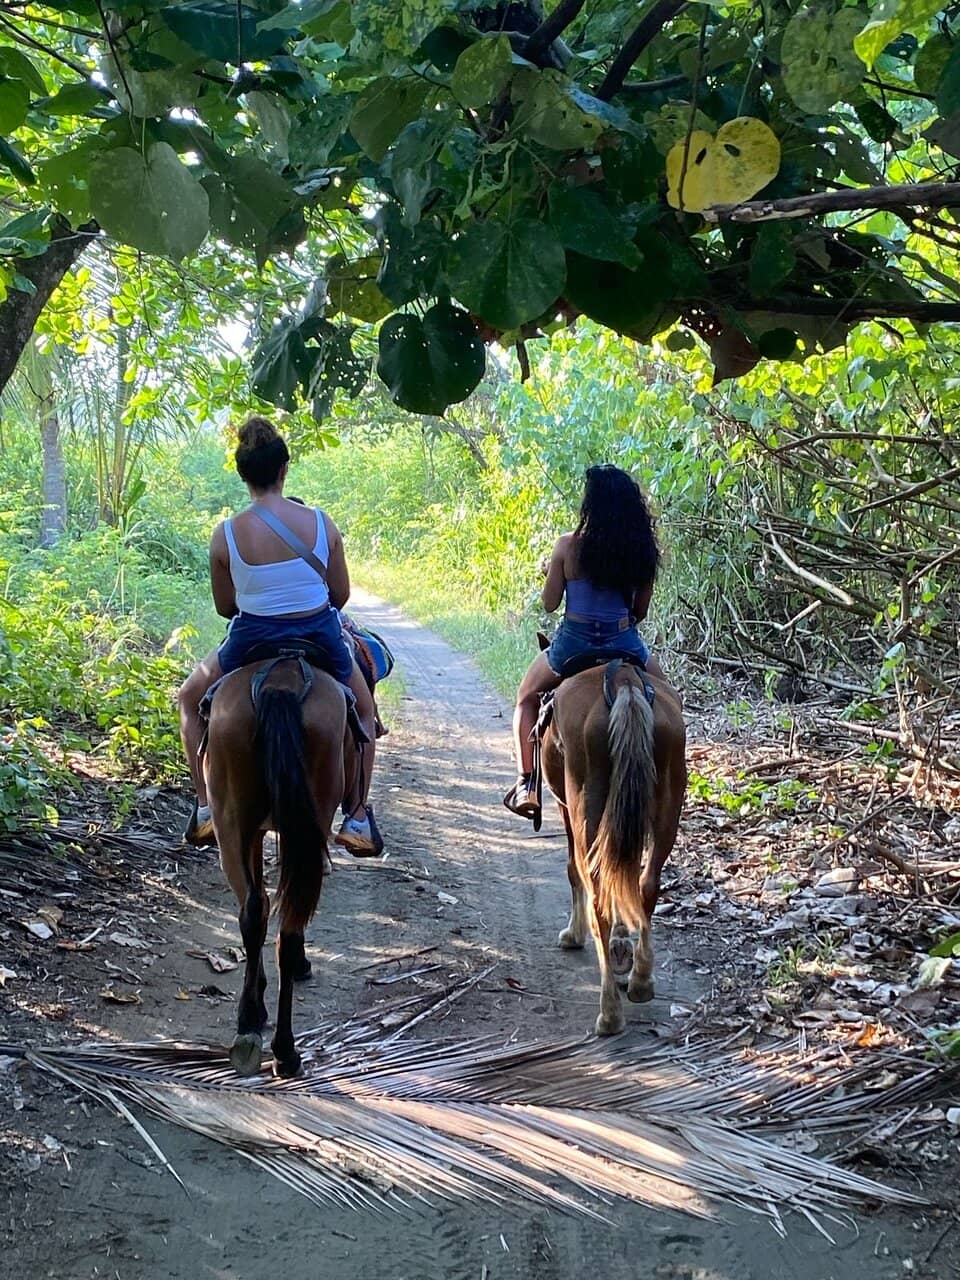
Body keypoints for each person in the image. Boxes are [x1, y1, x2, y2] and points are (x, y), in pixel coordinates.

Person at [178, 416, 380, 855]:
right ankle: (358, 816)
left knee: (189, 699)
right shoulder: (322, 524)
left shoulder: (225, 534)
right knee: (364, 709)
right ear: (284, 468)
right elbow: (340, 595)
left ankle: (206, 806)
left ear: (242, 473)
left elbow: (226, 608)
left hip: (251, 638)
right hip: (318, 635)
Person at [504, 464, 669, 820]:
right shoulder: (642, 552)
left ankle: (526, 784)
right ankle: (665, 782)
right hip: (624, 643)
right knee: (670, 700)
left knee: (526, 697)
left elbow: (550, 604)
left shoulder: (567, 546)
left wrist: (552, 573)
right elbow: (640, 612)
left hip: (573, 646)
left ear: (590, 505)